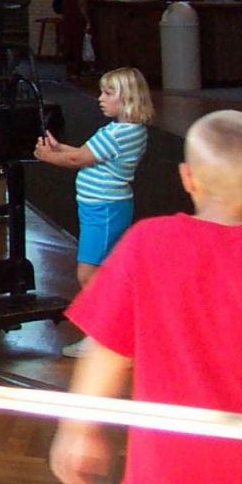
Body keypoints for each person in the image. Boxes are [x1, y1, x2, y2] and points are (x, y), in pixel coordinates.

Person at [50, 110, 242, 484]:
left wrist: (79, 429)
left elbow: (108, 352)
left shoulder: (149, 244)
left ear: (188, 178)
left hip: (170, 472)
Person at [34, 67, 152, 356]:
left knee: (89, 273)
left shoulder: (120, 132)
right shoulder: (122, 131)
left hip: (105, 210)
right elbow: (87, 154)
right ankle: (112, 332)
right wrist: (60, 147)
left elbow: (79, 158)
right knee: (101, 271)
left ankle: (105, 335)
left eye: (108, 93)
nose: (100, 98)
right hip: (101, 209)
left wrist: (49, 156)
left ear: (128, 99)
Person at [58, 0, 92, 78]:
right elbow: (81, 5)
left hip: (67, 17)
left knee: (69, 43)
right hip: (77, 18)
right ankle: (77, 70)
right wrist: (87, 20)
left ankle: (70, 69)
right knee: (77, 44)